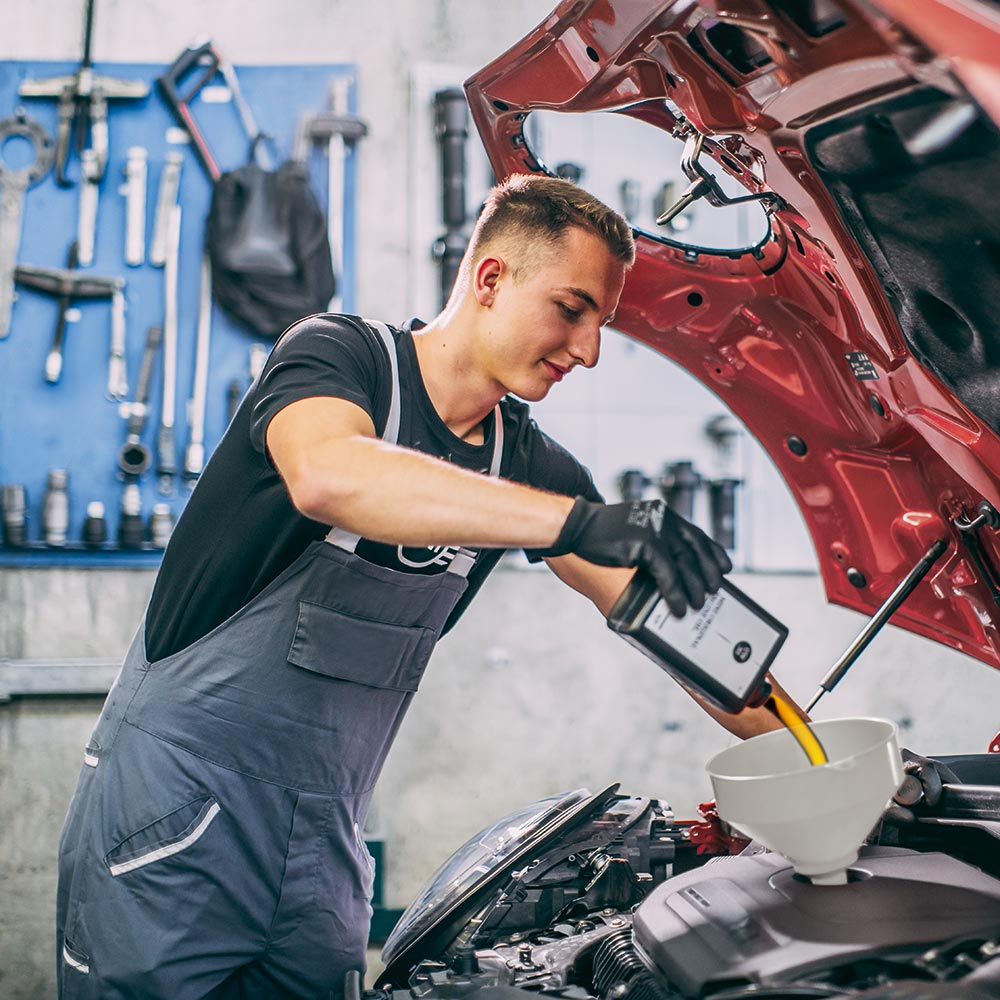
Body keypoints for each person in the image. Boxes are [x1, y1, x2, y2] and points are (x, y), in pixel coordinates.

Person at [53, 174, 808, 999]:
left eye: (603, 324)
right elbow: (329, 476)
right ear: (491, 279)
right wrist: (574, 524)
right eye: (572, 309)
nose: (588, 350)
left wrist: (826, 759)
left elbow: (693, 637)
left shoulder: (523, 462)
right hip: (173, 820)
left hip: (322, 850)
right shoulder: (337, 357)